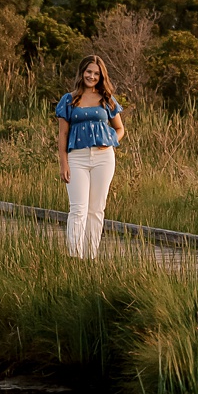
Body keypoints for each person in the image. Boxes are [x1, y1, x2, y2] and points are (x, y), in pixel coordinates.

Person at [55, 53, 124, 259]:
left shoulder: (107, 99)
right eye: (89, 72)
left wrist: (110, 140)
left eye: (96, 73)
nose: (92, 76)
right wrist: (63, 164)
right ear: (82, 72)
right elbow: (62, 134)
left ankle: (90, 257)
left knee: (96, 210)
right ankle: (75, 258)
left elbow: (120, 129)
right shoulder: (69, 99)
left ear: (101, 76)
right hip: (77, 158)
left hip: (104, 158)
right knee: (78, 209)